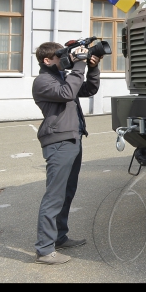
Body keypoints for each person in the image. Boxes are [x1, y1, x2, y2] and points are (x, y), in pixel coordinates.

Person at [32, 42, 100, 265]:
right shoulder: (43, 81)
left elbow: (88, 89)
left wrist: (93, 67)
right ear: (47, 60)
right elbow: (69, 92)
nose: (64, 59)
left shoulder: (62, 77)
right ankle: (44, 250)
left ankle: (59, 237)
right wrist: (78, 65)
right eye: (59, 56)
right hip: (59, 142)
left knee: (67, 192)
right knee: (54, 196)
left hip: (73, 139)